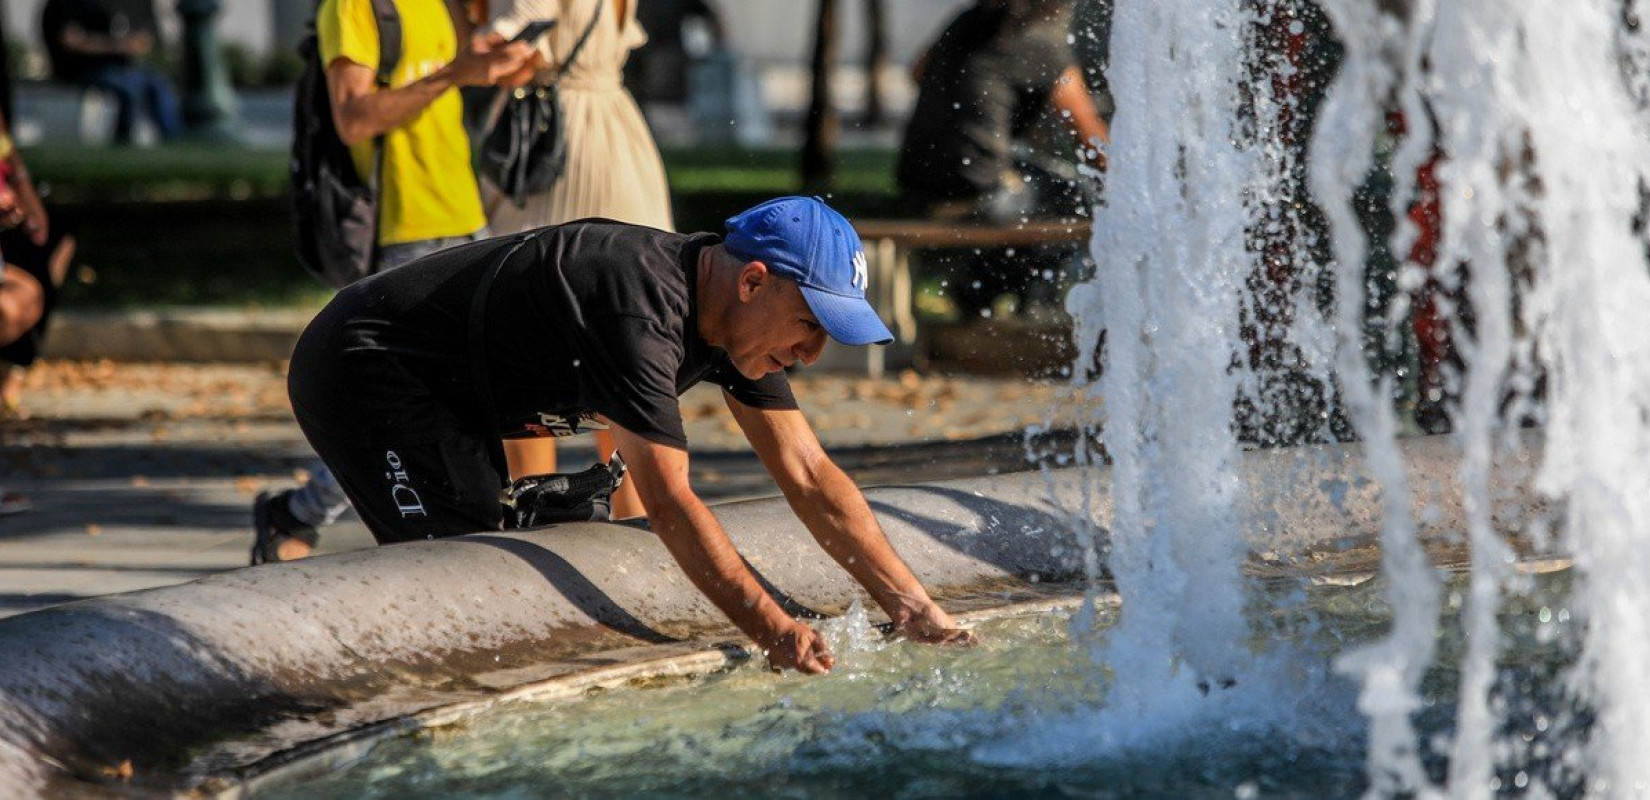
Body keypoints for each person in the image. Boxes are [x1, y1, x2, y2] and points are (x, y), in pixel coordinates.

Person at [284, 196, 972, 672]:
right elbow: (670, 502)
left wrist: (916, 610)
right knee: (456, 575)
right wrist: (773, 630)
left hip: (456, 393)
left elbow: (811, 475)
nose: (813, 354)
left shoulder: (733, 323)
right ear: (754, 282)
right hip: (367, 368)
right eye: (812, 325)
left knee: (498, 569)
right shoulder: (640, 311)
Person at [250, 0, 539, 564]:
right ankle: (300, 513)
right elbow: (353, 117)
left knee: (487, 394)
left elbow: (448, 84)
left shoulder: (440, 5)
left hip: (466, 217)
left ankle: (477, 527)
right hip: (401, 231)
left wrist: (498, 66)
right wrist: (454, 73)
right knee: (387, 412)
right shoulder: (355, 7)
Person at [480, 0, 676, 519]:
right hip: (619, 139)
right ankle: (640, 512)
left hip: (558, 146)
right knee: (630, 334)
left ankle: (532, 503)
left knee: (524, 333)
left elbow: (511, 53)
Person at [895, 0, 1111, 321]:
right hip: (975, 190)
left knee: (1028, 166)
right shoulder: (1042, 41)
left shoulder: (969, 20)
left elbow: (916, 72)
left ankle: (981, 292)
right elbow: (1092, 143)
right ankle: (1019, 303)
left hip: (916, 179)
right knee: (1079, 199)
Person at [40, 0, 182, 144]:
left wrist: (136, 44)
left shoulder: (101, 6)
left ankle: (172, 141)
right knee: (129, 89)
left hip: (115, 69)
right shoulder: (65, 5)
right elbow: (71, 41)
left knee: (158, 85)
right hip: (80, 70)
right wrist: (117, 46)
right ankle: (122, 143)